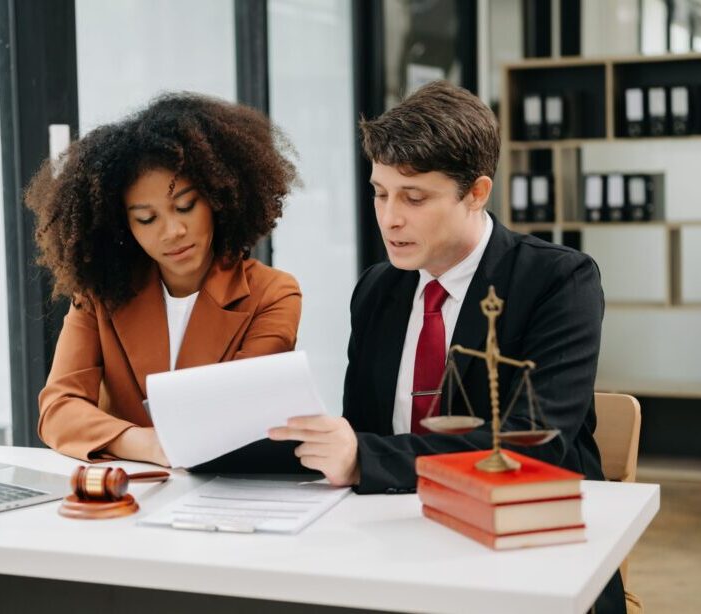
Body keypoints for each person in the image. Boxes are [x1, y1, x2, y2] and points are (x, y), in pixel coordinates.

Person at [268, 81, 625, 612]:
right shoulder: (377, 289)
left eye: (414, 198)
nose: (390, 218)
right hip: (394, 540)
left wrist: (364, 458)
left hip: (526, 548)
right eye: (379, 192)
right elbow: (363, 427)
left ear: (476, 193)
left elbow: (533, 447)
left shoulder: (558, 281)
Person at [26, 92, 301, 467]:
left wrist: (130, 438)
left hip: (222, 497)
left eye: (185, 206)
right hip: (125, 497)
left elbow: (236, 420)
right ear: (123, 225)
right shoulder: (100, 295)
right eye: (146, 218)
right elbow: (58, 410)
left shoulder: (272, 295)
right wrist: (146, 444)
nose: (172, 231)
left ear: (218, 199)